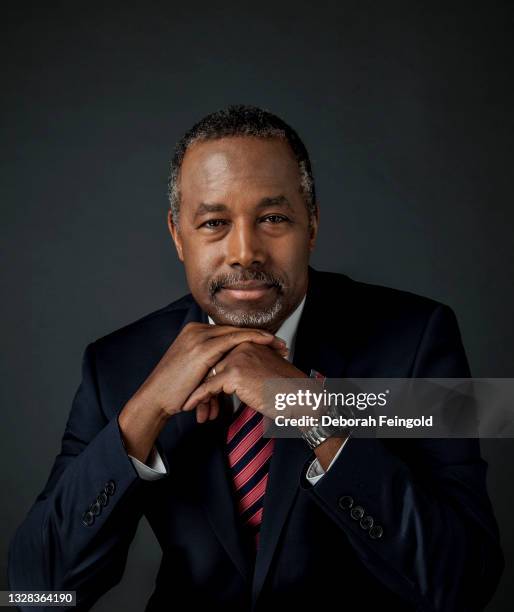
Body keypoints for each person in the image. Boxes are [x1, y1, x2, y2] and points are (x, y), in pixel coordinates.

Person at [8, 105, 504, 611]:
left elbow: (465, 582)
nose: (245, 251)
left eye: (272, 218)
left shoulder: (416, 337)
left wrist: (312, 411)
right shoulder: (116, 365)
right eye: (214, 223)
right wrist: (145, 412)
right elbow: (35, 592)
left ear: (311, 226)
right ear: (178, 235)